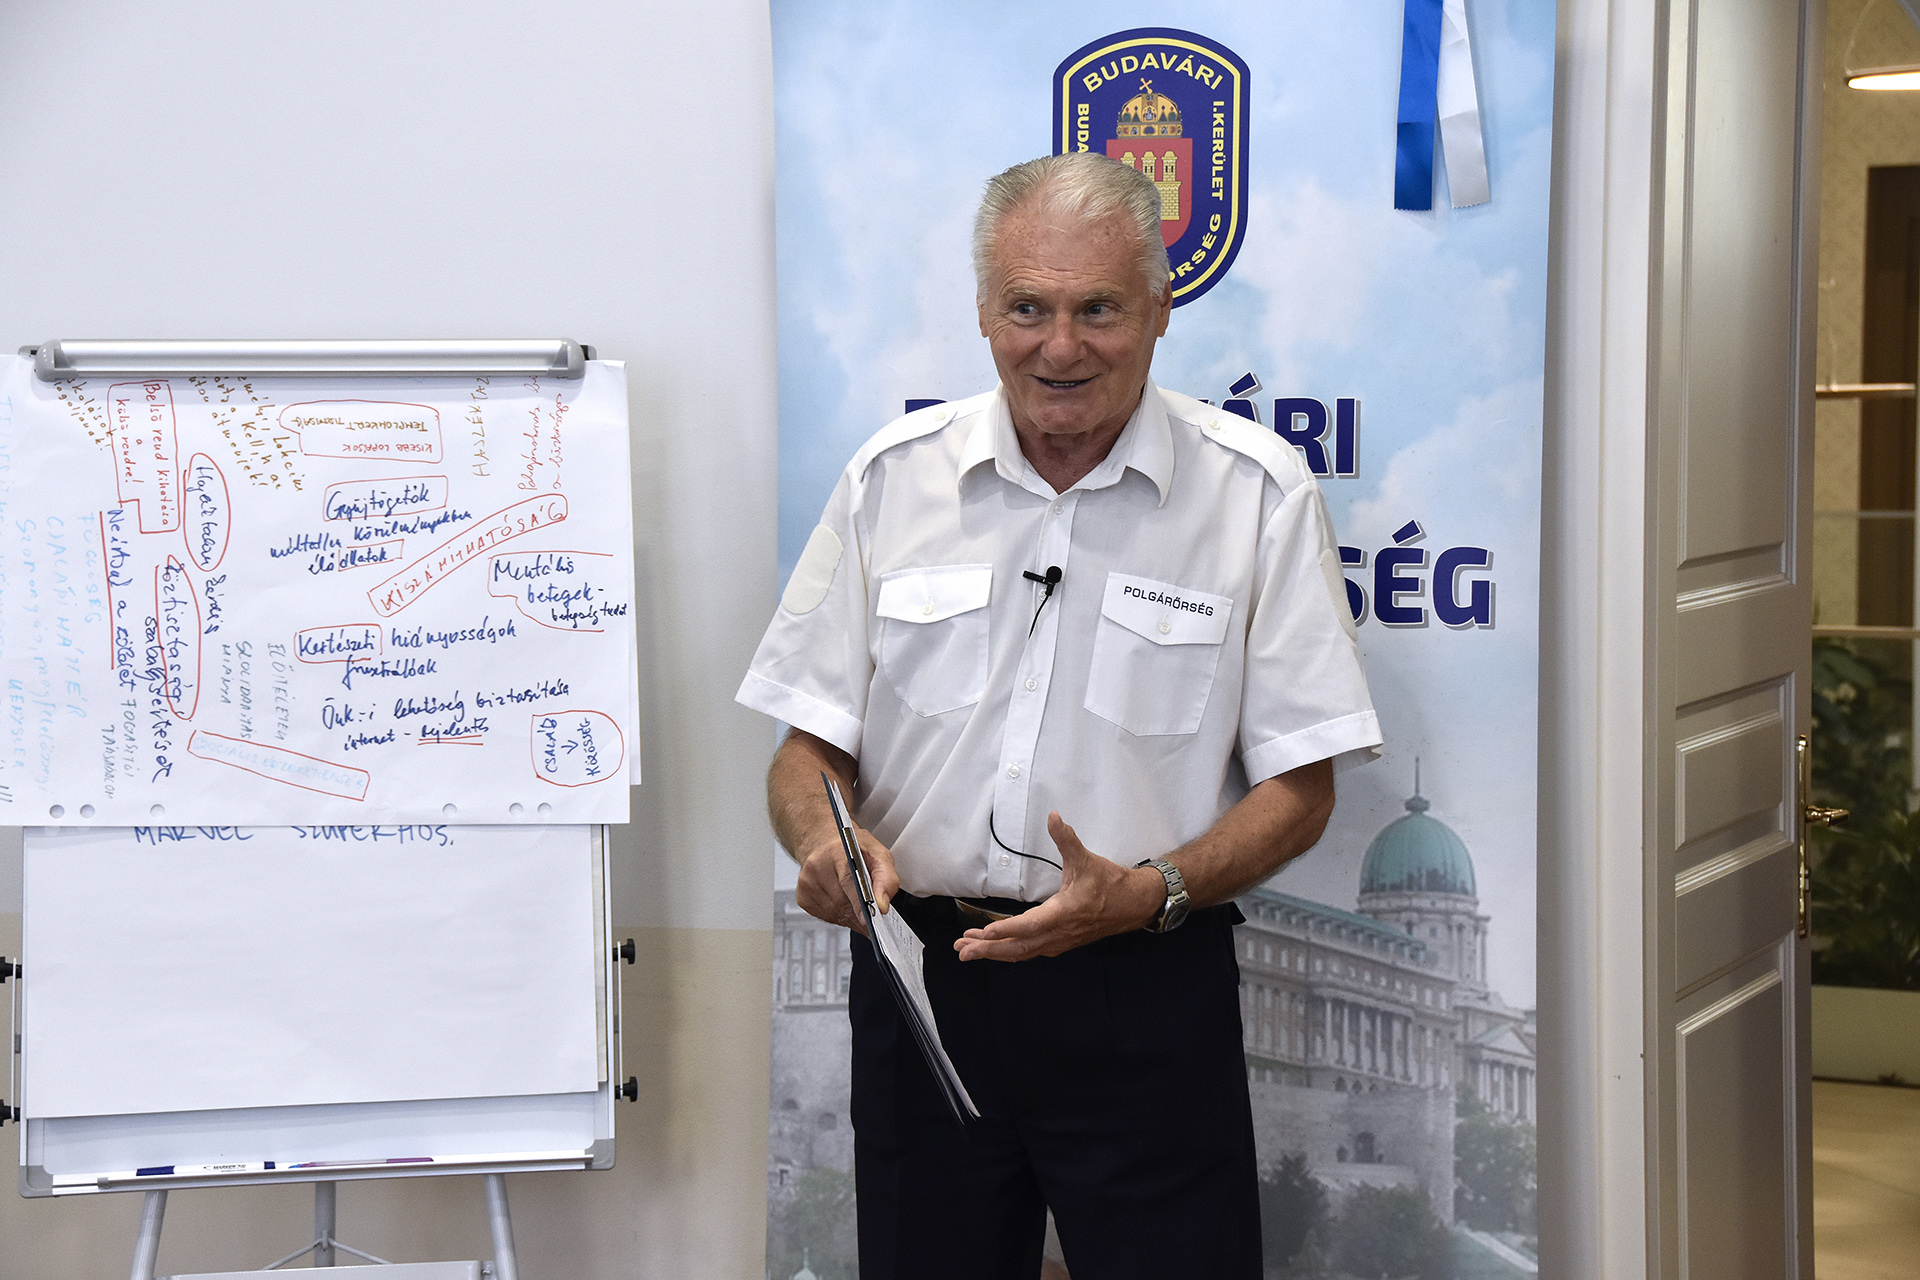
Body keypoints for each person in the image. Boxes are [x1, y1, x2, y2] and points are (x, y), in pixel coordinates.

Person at [737, 152, 1381, 1279]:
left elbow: (1302, 789)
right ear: (985, 313)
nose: (1061, 346)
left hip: (1145, 979)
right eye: (1028, 308)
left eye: (1100, 310)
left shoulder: (1257, 494)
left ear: (1161, 310)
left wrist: (1151, 890)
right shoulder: (891, 480)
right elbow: (806, 750)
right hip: (926, 981)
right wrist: (820, 842)